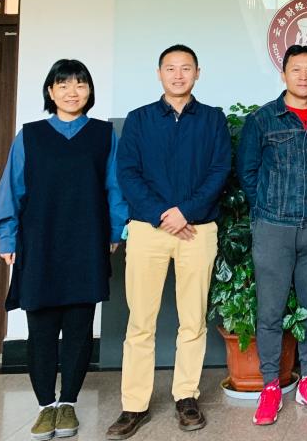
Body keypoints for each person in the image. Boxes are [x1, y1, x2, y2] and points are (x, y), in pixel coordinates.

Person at [0, 59, 127, 441]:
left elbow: (114, 187)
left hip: (86, 242)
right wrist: (7, 237)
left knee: (79, 328)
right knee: (41, 328)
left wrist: (115, 230)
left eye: (80, 84)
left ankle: (68, 403)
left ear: (89, 91)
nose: (71, 91)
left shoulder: (103, 135)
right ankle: (45, 406)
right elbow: (12, 188)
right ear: (50, 91)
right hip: (39, 243)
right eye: (62, 84)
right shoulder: (30, 136)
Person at [106, 45, 231, 440]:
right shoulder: (140, 119)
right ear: (159, 73)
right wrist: (163, 214)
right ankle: (134, 404)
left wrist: (186, 212)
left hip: (197, 229)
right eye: (171, 68)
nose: (178, 75)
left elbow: (220, 170)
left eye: (186, 68)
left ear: (198, 73)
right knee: (140, 321)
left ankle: (186, 397)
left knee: (192, 319)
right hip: (148, 229)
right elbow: (128, 173)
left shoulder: (212, 119)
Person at [238, 44, 307, 423]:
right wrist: (267, 210)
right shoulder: (262, 119)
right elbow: (248, 172)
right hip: (273, 227)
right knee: (270, 310)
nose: (303, 76)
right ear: (283, 74)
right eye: (296, 69)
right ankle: (270, 385)